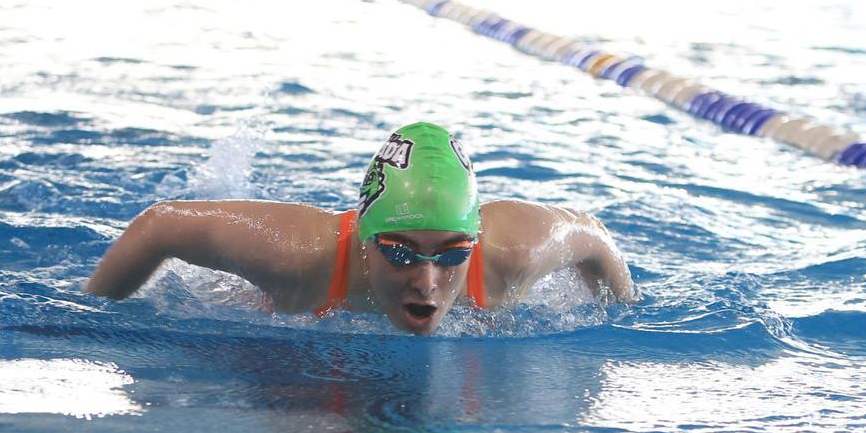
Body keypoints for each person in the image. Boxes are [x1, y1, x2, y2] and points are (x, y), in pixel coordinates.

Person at [86, 122, 637, 334]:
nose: (426, 281)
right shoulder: (299, 256)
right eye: (400, 252)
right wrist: (93, 315)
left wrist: (621, 316)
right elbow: (159, 225)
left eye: (450, 254)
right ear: (365, 239)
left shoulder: (512, 251)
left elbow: (596, 238)